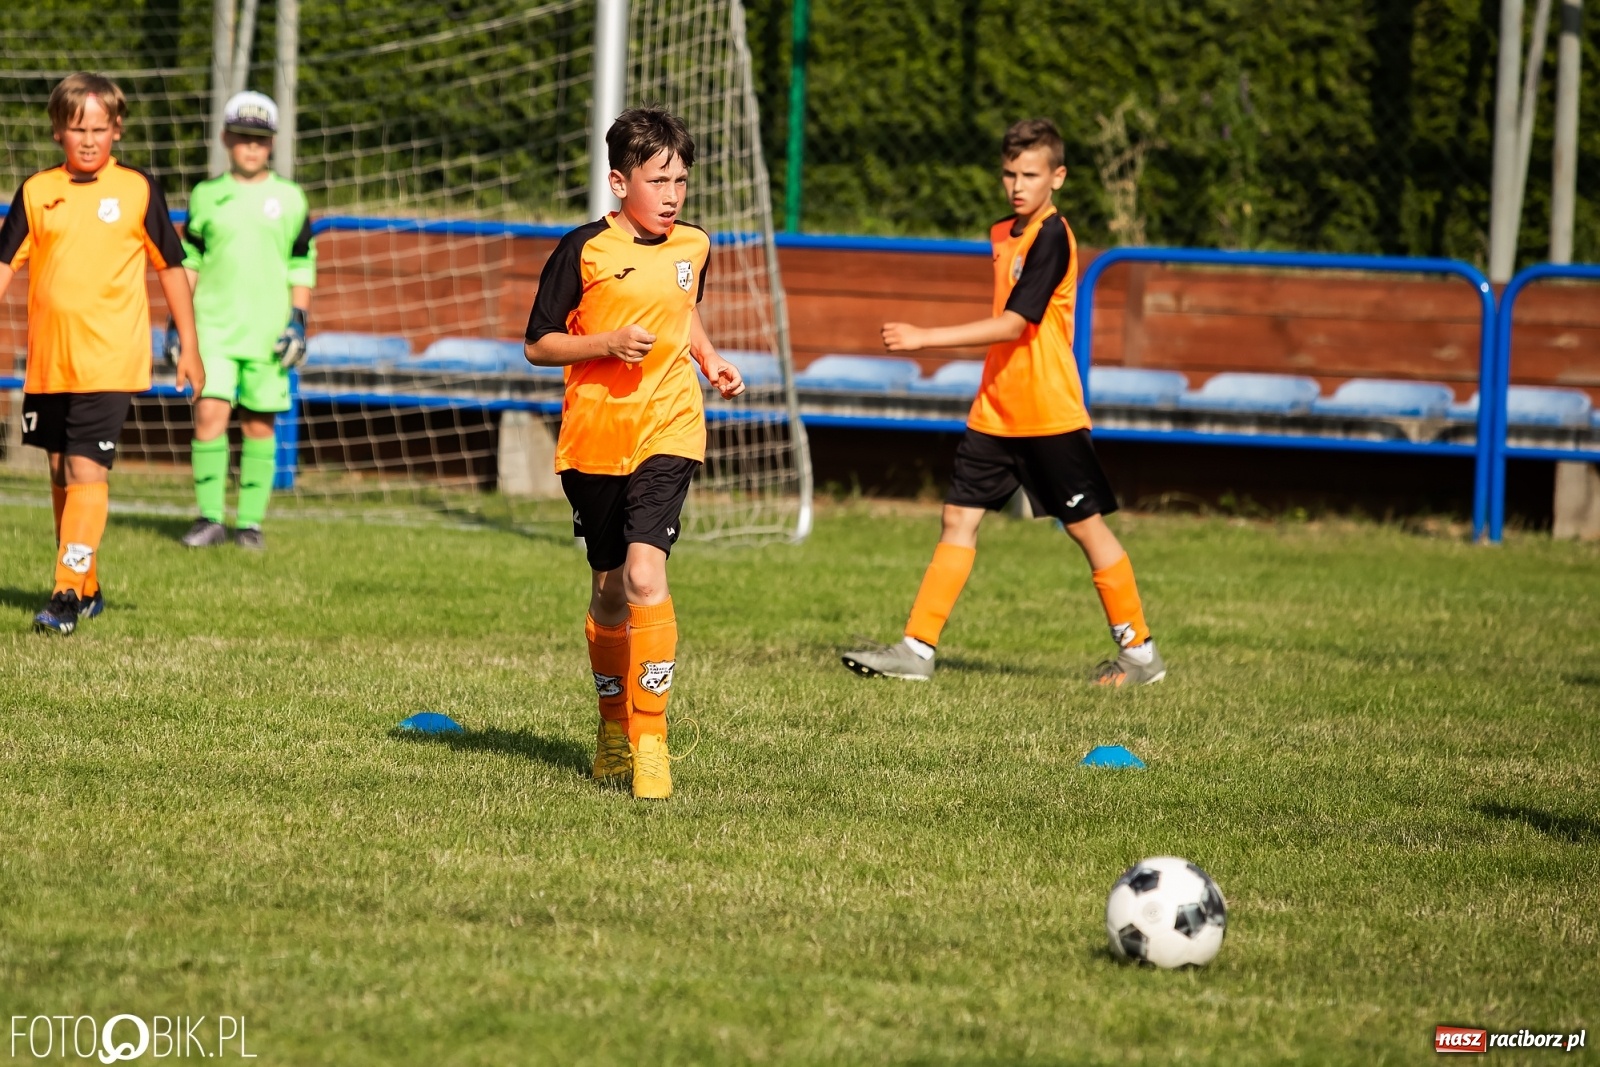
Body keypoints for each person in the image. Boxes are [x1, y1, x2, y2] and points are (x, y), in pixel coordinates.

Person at [840, 118, 1166, 686]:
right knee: (957, 518)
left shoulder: (1051, 237)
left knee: (1085, 527)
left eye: (1031, 175)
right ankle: (916, 650)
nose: (1018, 185)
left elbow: (1016, 324)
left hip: (1047, 412)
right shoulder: (1003, 233)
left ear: (1057, 177)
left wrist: (924, 338)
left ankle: (1140, 654)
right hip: (995, 410)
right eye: (1010, 174)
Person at [524, 107, 746, 799]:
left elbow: (683, 311)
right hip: (595, 439)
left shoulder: (694, 245)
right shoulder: (583, 250)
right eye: (658, 181)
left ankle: (651, 741)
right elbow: (538, 344)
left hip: (670, 428)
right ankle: (613, 727)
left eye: (681, 180)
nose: (673, 195)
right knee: (610, 591)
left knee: (647, 575)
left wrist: (709, 359)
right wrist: (606, 343)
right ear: (621, 183)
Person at [0, 72, 203, 635]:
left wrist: (189, 346)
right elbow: (4, 263)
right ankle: (86, 587)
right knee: (60, 469)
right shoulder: (36, 192)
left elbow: (172, 268)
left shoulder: (137, 189)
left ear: (117, 129)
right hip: (50, 364)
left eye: (98, 129)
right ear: (57, 131)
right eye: (76, 128)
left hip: (111, 359)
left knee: (86, 468)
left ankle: (65, 593)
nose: (88, 140)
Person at [175, 91, 315, 551]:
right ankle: (209, 518)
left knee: (259, 425)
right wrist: (178, 321)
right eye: (241, 137)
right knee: (209, 414)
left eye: (260, 139)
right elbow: (190, 259)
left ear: (272, 143)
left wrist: (297, 321)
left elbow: (301, 262)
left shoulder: (290, 198)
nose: (250, 147)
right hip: (212, 328)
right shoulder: (206, 195)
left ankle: (250, 524)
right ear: (225, 139)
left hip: (268, 333)